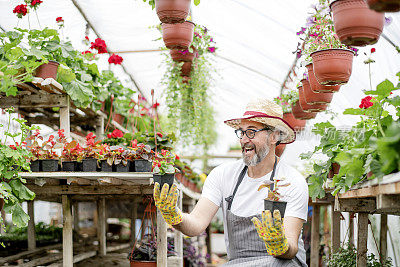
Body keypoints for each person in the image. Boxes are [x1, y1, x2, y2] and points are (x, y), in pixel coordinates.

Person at [153, 99, 308, 266]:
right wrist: (175, 216)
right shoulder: (223, 175)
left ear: (274, 136)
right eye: (241, 132)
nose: (243, 140)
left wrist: (281, 245)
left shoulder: (292, 181)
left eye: (251, 132)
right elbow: (196, 224)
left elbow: (291, 247)